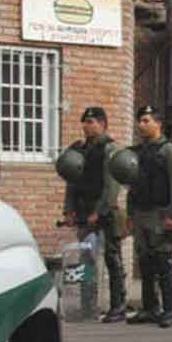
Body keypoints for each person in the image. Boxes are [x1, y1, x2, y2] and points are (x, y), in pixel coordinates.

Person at [60, 106, 127, 322]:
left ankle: (118, 306)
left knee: (112, 258)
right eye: (85, 122)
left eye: (92, 122)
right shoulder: (78, 149)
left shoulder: (110, 149)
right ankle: (87, 306)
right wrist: (69, 210)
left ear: (103, 124)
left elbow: (111, 185)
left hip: (105, 213)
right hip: (83, 211)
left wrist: (98, 212)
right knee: (85, 259)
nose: (87, 126)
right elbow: (71, 182)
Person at [126, 105, 172, 328]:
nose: (141, 125)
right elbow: (132, 185)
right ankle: (150, 308)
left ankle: (171, 309)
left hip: (160, 214)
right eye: (139, 121)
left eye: (146, 121)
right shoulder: (138, 152)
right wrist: (130, 213)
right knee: (145, 262)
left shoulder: (168, 151)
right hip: (142, 212)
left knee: (164, 262)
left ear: (158, 124)